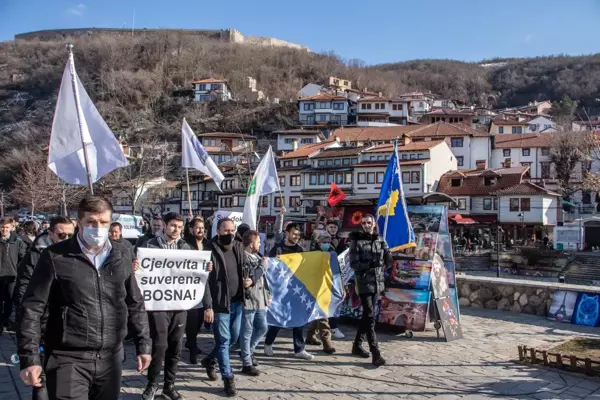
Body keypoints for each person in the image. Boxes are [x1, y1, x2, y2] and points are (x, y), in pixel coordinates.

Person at [17, 196, 151, 400]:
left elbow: (134, 301)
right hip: (67, 358)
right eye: (91, 222)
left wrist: (144, 344)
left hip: (110, 357)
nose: (98, 228)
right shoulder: (55, 256)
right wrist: (30, 357)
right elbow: (32, 308)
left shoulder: (121, 254)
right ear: (78, 223)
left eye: (104, 222)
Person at [13, 216, 74, 400]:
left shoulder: (76, 255)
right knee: (41, 383)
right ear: (50, 234)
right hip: (42, 326)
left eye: (71, 235)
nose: (67, 239)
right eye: (62, 235)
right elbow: (24, 291)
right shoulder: (37, 254)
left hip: (68, 329)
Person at [140, 212, 194, 400]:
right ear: (164, 225)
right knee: (160, 346)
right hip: (158, 304)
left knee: (176, 346)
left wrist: (205, 270)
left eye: (179, 227)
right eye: (172, 226)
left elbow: (194, 275)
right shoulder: (149, 246)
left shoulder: (186, 248)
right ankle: (152, 384)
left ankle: (169, 385)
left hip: (179, 305)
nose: (176, 230)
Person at [201, 217, 248, 397]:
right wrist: (208, 305)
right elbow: (203, 281)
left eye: (232, 230)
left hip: (237, 301)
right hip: (219, 303)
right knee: (223, 342)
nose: (230, 233)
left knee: (233, 338)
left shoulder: (238, 246)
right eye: (226, 230)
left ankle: (209, 360)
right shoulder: (209, 249)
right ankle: (228, 378)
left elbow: (245, 268)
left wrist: (249, 281)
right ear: (218, 231)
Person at [263, 222, 313, 360]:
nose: (296, 236)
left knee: (298, 319)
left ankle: (299, 349)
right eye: (294, 234)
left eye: (298, 234)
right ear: (287, 233)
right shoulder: (278, 249)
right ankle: (268, 343)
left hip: (295, 290)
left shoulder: (300, 250)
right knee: (279, 318)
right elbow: (268, 267)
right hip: (280, 291)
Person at [348, 213, 392, 367]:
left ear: (374, 224)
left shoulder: (380, 239)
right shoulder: (356, 241)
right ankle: (376, 353)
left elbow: (387, 261)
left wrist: (388, 254)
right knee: (370, 317)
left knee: (367, 317)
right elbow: (354, 264)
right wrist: (370, 264)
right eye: (364, 223)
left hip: (377, 283)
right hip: (364, 283)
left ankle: (356, 345)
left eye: (369, 222)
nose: (367, 225)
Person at [240, 230, 270, 376]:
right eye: (258, 242)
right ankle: (246, 362)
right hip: (249, 300)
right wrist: (262, 266)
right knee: (247, 331)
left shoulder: (258, 257)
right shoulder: (243, 258)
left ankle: (249, 350)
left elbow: (265, 279)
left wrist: (268, 294)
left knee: (263, 327)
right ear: (252, 244)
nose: (260, 244)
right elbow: (251, 276)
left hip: (261, 299)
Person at [183, 216, 212, 365]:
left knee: (201, 318)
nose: (200, 230)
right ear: (191, 229)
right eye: (197, 227)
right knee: (192, 321)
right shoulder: (185, 244)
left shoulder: (208, 244)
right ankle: (192, 348)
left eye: (202, 228)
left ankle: (191, 342)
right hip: (190, 287)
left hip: (205, 286)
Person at [306, 231, 336, 354]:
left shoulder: (332, 253)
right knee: (323, 314)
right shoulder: (313, 253)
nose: (326, 244)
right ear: (318, 242)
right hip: (315, 286)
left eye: (328, 242)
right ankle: (326, 342)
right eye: (324, 242)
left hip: (327, 286)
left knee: (318, 313)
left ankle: (310, 335)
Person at [0, 217, 28, 331]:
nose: (4, 229)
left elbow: (23, 256)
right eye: (2, 227)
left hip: (12, 274)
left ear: (11, 227)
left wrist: (18, 269)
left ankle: (6, 319)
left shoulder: (17, 240)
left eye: (6, 227)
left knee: (9, 299)